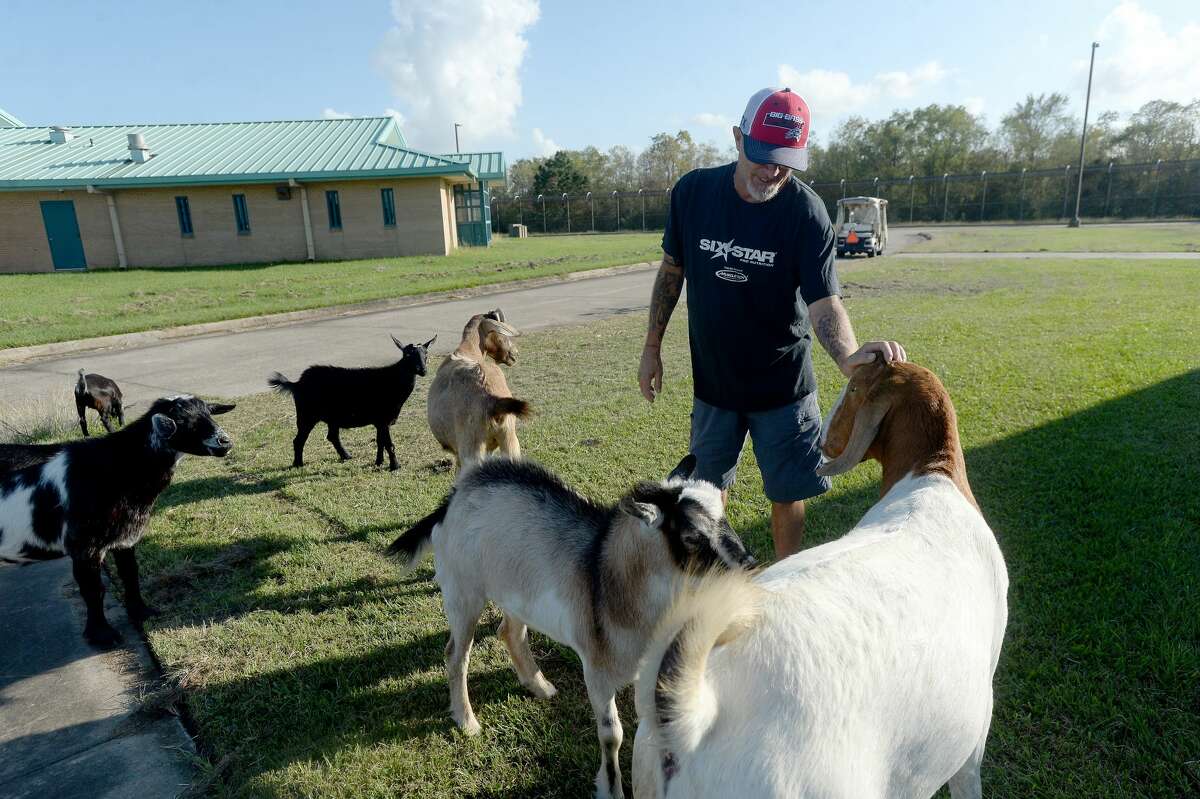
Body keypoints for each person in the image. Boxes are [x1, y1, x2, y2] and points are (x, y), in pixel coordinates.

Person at [637, 87, 906, 560]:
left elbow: (824, 302)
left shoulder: (806, 213)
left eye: (785, 159)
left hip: (784, 390)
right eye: (762, 155)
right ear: (737, 138)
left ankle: (784, 578)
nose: (772, 170)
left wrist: (847, 357)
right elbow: (671, 273)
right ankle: (712, 577)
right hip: (714, 387)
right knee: (706, 492)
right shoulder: (693, 194)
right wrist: (651, 347)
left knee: (787, 492)